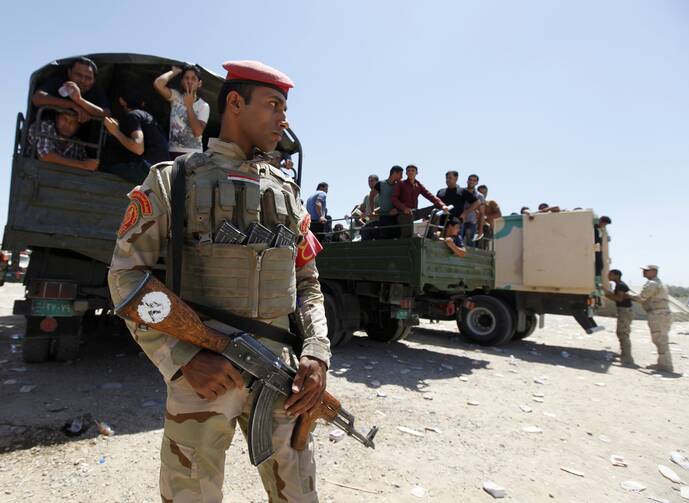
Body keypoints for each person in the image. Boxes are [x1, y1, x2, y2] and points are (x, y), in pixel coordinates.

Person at [108, 60, 331, 502]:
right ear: (234, 103)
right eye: (273, 105)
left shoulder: (288, 192)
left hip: (282, 376)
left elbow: (308, 281)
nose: (284, 119)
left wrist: (317, 353)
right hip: (204, 375)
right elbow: (127, 277)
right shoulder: (173, 179)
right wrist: (182, 357)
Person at [102, 89, 170, 184]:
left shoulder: (133, 115)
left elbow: (138, 148)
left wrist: (115, 131)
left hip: (148, 171)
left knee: (107, 167)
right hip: (162, 173)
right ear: (142, 103)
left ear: (121, 101)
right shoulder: (147, 117)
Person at [153, 64, 210, 158]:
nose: (189, 81)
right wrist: (174, 72)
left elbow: (198, 132)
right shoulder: (176, 97)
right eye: (186, 78)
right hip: (173, 152)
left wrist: (189, 106)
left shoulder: (203, 106)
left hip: (192, 154)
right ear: (182, 81)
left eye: (193, 78)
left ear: (199, 83)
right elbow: (158, 84)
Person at [31, 56, 110, 123]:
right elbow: (37, 98)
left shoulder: (96, 91)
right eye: (78, 75)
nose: (82, 80)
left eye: (88, 78)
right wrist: (72, 105)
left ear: (94, 81)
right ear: (69, 73)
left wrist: (80, 100)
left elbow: (106, 114)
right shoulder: (59, 82)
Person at [629, 265, 674, 373]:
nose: (644, 272)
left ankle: (665, 365)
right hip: (661, 313)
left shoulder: (652, 284)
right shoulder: (657, 283)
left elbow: (641, 298)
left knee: (660, 339)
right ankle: (663, 363)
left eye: (646, 270)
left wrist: (628, 295)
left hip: (658, 314)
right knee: (660, 339)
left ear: (654, 272)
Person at [27, 109, 99, 171]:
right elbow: (45, 156)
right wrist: (82, 165)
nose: (68, 124)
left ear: (78, 127)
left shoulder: (78, 145)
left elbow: (88, 166)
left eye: (73, 122)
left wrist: (89, 165)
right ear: (57, 118)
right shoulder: (46, 126)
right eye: (65, 118)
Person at [392, 164, 448, 238]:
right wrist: (403, 208)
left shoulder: (418, 184)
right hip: (403, 213)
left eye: (413, 171)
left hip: (415, 212)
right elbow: (394, 198)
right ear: (406, 173)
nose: (410, 172)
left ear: (416, 173)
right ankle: (410, 236)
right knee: (407, 230)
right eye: (408, 171)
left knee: (436, 210)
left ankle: (431, 234)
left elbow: (429, 195)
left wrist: (442, 205)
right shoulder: (401, 183)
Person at [604, 269, 634, 365]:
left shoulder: (620, 285)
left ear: (616, 276)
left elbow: (619, 299)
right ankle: (624, 354)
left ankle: (627, 358)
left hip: (624, 311)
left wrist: (606, 294)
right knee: (621, 333)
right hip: (624, 310)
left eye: (610, 274)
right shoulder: (619, 285)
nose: (609, 276)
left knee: (623, 333)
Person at [371, 166, 403, 239]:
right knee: (384, 237)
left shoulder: (399, 185)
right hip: (384, 217)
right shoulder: (381, 184)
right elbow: (372, 195)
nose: (402, 177)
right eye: (400, 174)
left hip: (396, 216)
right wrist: (372, 210)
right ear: (395, 173)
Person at [461, 174, 485, 245]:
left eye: (474, 180)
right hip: (460, 220)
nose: (471, 182)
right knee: (457, 242)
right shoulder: (461, 192)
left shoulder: (480, 196)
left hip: (471, 223)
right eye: (470, 180)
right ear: (467, 181)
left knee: (470, 244)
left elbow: (482, 213)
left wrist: (480, 230)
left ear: (477, 183)